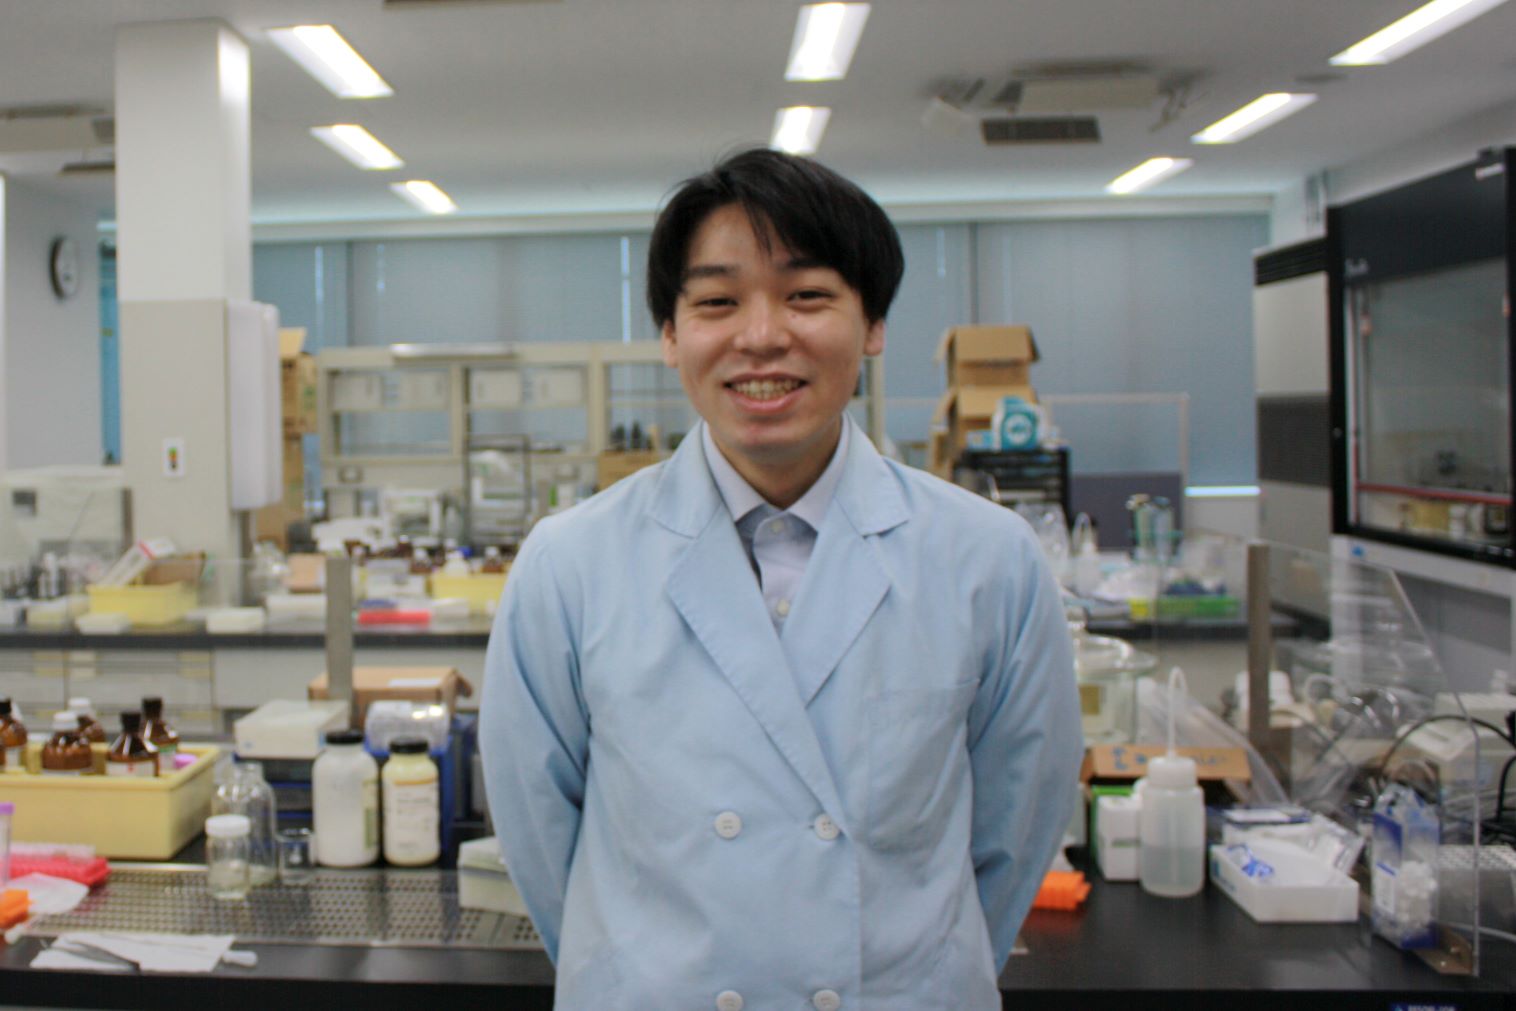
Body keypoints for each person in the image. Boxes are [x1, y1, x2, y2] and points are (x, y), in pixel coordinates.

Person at [480, 148, 1082, 1010]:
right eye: (717, 302)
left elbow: (1015, 830)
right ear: (670, 334)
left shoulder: (988, 559)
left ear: (873, 324)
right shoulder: (570, 563)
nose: (761, 335)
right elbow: (540, 838)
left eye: (806, 295)